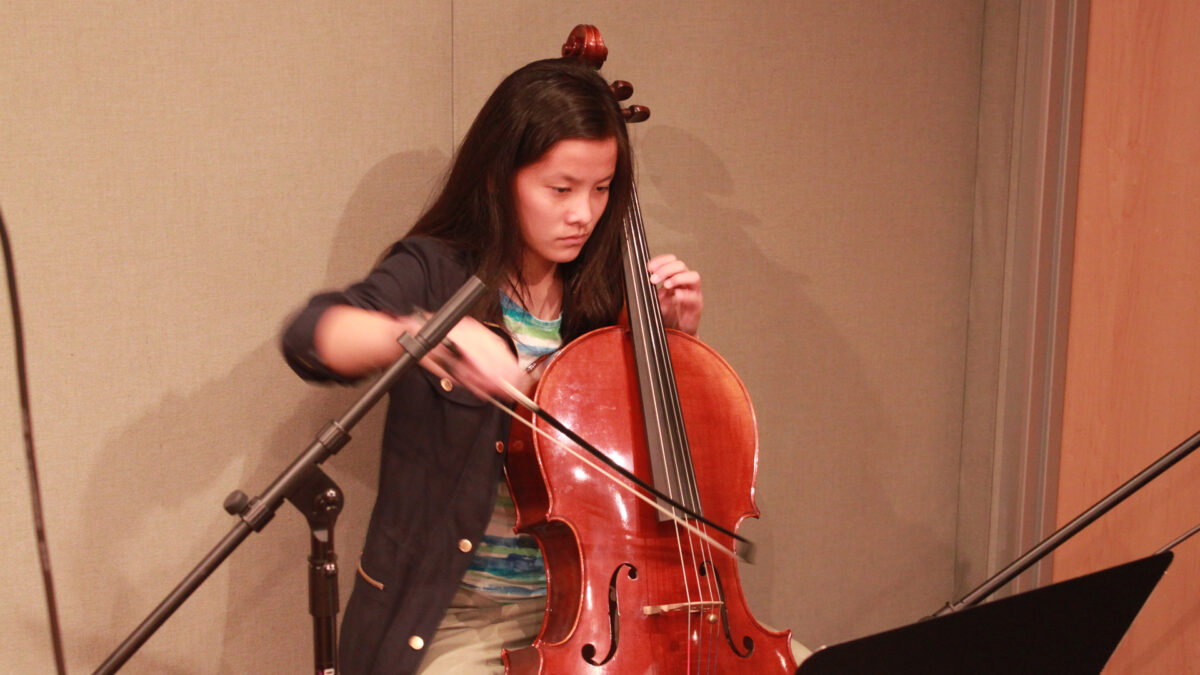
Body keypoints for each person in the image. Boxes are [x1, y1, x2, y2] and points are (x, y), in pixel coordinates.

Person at [280, 57, 702, 675]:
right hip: (454, 620)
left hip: (596, 612)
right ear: (500, 178)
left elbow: (644, 474)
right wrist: (424, 335)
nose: (584, 213)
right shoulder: (436, 269)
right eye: (560, 189)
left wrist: (674, 351)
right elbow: (311, 337)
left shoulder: (613, 294)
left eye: (603, 188)